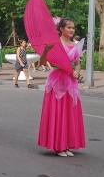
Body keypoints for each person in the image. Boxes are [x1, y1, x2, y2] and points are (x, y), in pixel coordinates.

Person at [37, 18, 86, 157]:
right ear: (61, 29)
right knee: (58, 113)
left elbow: (77, 63)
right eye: (69, 27)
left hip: (70, 81)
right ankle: (58, 146)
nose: (71, 30)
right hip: (57, 81)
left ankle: (65, 145)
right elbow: (41, 63)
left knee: (68, 113)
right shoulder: (54, 44)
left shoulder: (74, 45)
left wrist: (76, 71)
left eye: (73, 28)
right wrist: (46, 50)